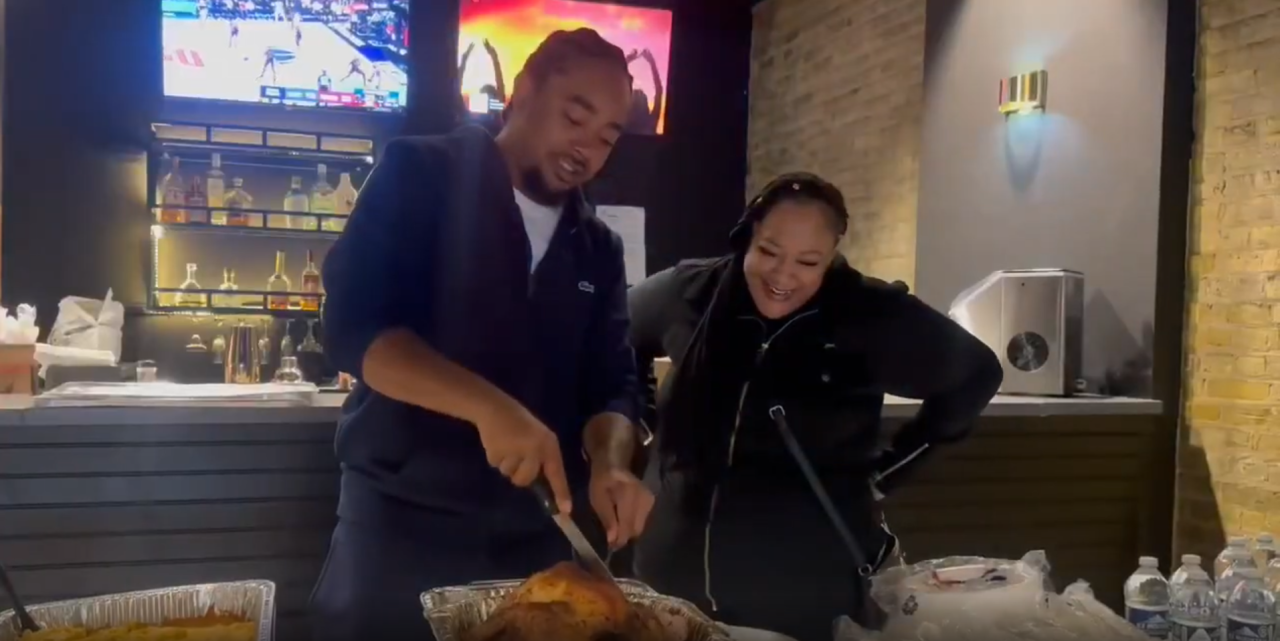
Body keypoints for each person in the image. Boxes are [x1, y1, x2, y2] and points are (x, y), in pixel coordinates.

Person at [309, 28, 653, 641]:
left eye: (607, 138)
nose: (589, 149)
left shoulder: (598, 247)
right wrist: (487, 408)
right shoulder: (422, 172)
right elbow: (356, 329)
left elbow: (614, 383)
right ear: (521, 93)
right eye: (576, 117)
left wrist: (610, 463)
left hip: (537, 538)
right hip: (402, 523)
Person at [627, 173, 1003, 640]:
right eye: (768, 252)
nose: (783, 276)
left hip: (805, 597)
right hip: (674, 584)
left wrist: (888, 472)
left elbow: (977, 373)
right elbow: (617, 334)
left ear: (831, 258)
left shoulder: (866, 314)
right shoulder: (692, 293)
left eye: (808, 261)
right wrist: (638, 426)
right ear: (747, 235)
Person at [624, 48, 664, 134]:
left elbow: (613, 83)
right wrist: (651, 62)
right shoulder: (650, 122)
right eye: (640, 94)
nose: (639, 93)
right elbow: (659, 90)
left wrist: (626, 61)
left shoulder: (623, 120)